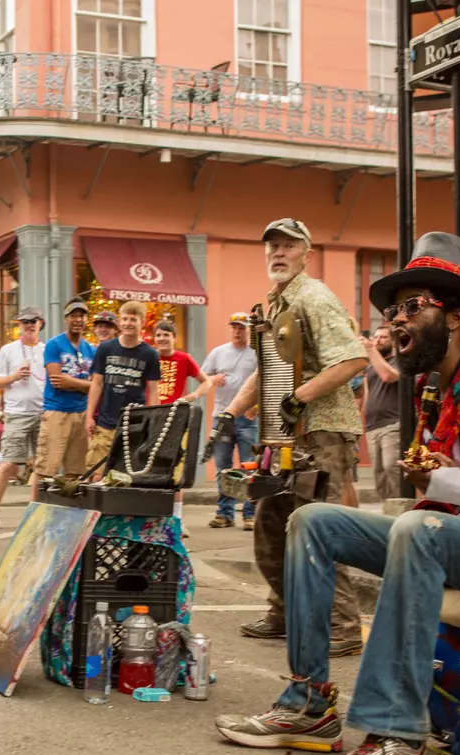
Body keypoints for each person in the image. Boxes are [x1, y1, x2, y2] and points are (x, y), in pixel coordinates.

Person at [216, 232, 460, 755]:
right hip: (456, 535)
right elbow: (446, 494)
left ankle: (398, 735)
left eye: (412, 307)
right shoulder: (432, 393)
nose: (394, 321)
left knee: (420, 526)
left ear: (457, 317)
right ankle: (309, 703)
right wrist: (442, 482)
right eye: (393, 310)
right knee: (312, 521)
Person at [214, 219, 365, 653]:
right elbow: (267, 372)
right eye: (272, 247)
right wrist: (230, 412)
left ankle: (343, 627)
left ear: (306, 253)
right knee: (272, 522)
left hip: (322, 433)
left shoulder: (315, 298)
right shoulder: (280, 302)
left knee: (319, 526)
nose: (278, 253)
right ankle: (284, 611)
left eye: (288, 246)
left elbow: (353, 360)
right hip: (284, 436)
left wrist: (299, 397)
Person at [0, 307, 45, 530]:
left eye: (33, 321)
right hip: (17, 413)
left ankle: (34, 511)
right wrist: (15, 376)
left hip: (42, 412)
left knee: (41, 464)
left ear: (40, 323)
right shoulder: (8, 351)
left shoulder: (47, 350)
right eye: (25, 321)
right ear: (19, 324)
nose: (29, 325)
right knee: (8, 462)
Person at [152, 320, 212, 536]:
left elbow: (206, 382)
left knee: (175, 469)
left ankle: (177, 519)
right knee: (152, 469)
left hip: (176, 418)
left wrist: (192, 396)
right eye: (158, 335)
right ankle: (157, 518)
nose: (162, 339)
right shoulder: (150, 357)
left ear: (173, 338)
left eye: (166, 335)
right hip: (152, 418)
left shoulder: (184, 359)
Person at [85, 301, 161, 465]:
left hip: (134, 423)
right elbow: (97, 384)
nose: (128, 323)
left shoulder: (150, 354)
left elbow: (153, 390)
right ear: (119, 321)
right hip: (105, 421)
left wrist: (152, 421)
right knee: (96, 472)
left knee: (126, 474)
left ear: (142, 322)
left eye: (133, 320)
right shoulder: (106, 348)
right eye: (125, 319)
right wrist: (89, 415)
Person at [202, 312, 258, 529]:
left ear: (248, 330)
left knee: (250, 467)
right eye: (234, 327)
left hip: (248, 418)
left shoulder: (256, 354)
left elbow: (264, 382)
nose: (236, 331)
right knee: (223, 467)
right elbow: (203, 377)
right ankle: (224, 513)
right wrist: (213, 379)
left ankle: (249, 514)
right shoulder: (218, 352)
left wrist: (257, 407)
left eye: (241, 327)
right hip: (222, 416)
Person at [34, 300, 96, 488]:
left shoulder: (91, 350)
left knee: (76, 472)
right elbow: (56, 380)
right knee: (45, 469)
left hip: (81, 413)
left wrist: (73, 382)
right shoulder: (54, 344)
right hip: (56, 411)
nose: (78, 320)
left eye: (82, 316)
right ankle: (35, 513)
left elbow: (96, 385)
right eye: (73, 316)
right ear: (66, 319)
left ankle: (68, 513)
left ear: (86, 320)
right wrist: (86, 385)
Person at [360, 325, 401, 502]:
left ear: (393, 341)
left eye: (383, 337)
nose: (377, 341)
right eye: (375, 337)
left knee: (391, 466)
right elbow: (368, 394)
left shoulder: (399, 361)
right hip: (372, 426)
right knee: (379, 473)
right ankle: (387, 509)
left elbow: (388, 376)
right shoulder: (370, 367)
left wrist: (369, 349)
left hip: (392, 423)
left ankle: (400, 507)